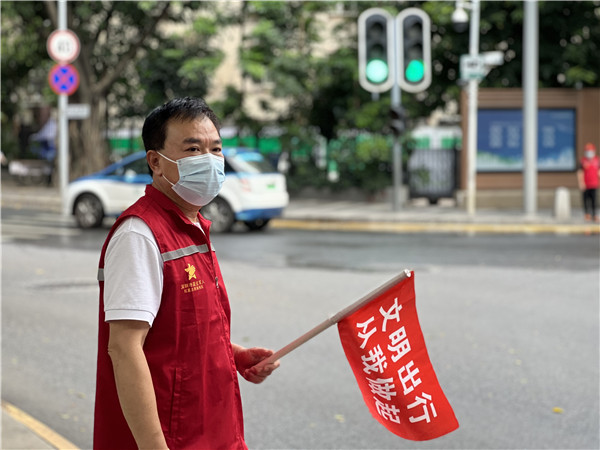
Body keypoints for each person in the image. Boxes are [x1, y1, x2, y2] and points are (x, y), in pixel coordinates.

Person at [93, 97, 279, 450]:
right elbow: (125, 348)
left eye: (215, 149)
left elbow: (179, 332)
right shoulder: (140, 235)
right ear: (156, 162)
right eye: (193, 149)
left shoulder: (191, 226)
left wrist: (232, 355)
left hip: (214, 431)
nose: (209, 160)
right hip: (173, 438)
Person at [577, 142, 600, 222]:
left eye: (591, 151)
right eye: (588, 151)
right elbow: (580, 172)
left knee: (594, 200)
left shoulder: (597, 160)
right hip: (586, 184)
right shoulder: (583, 161)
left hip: (594, 183)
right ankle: (587, 214)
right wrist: (581, 182)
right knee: (586, 200)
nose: (589, 153)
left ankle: (594, 214)